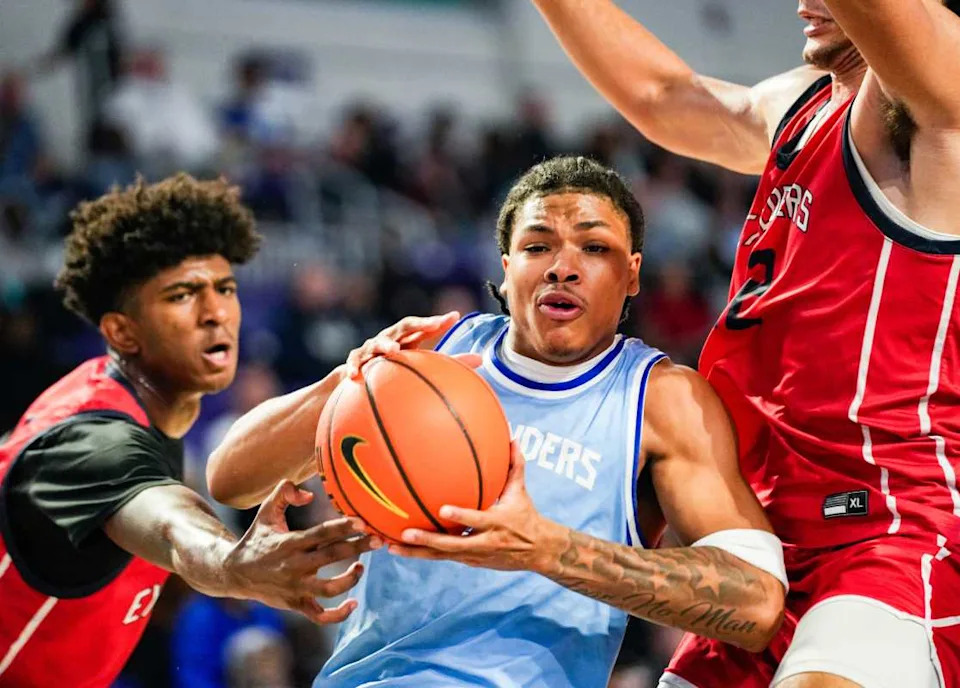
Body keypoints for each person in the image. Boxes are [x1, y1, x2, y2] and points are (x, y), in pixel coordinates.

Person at [207, 156, 788, 687]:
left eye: (594, 248)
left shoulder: (661, 399)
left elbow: (757, 604)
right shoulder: (429, 354)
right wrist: (345, 383)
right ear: (507, 270)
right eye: (538, 247)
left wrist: (546, 549)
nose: (563, 268)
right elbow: (230, 478)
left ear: (632, 274)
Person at [530, 1, 960, 686]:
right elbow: (661, 96)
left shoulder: (943, 94)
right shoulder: (805, 101)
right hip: (761, 545)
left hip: (886, 531)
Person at [0, 175, 376, 687]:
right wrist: (234, 563)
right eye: (181, 295)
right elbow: (170, 525)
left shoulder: (137, 407)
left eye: (225, 289)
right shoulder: (89, 438)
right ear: (121, 331)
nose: (215, 313)